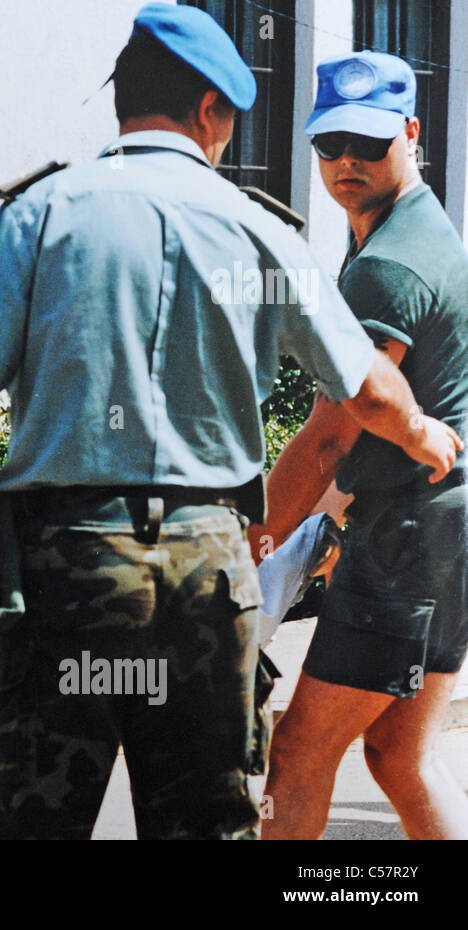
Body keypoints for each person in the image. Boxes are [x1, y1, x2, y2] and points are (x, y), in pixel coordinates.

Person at [0, 4, 462, 840]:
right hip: (202, 576)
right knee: (201, 823)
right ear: (213, 113)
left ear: (123, 101)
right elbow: (365, 392)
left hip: (63, 567)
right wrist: (420, 434)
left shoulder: (41, 213)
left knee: (43, 821)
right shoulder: (260, 231)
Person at [253, 53, 468, 840]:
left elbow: (327, 439)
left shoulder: (386, 268)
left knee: (298, 754)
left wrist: (256, 539)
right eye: (331, 142)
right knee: (401, 757)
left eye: (369, 143)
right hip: (444, 531)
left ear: (411, 134)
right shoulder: (416, 227)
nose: (347, 160)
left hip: (406, 539)